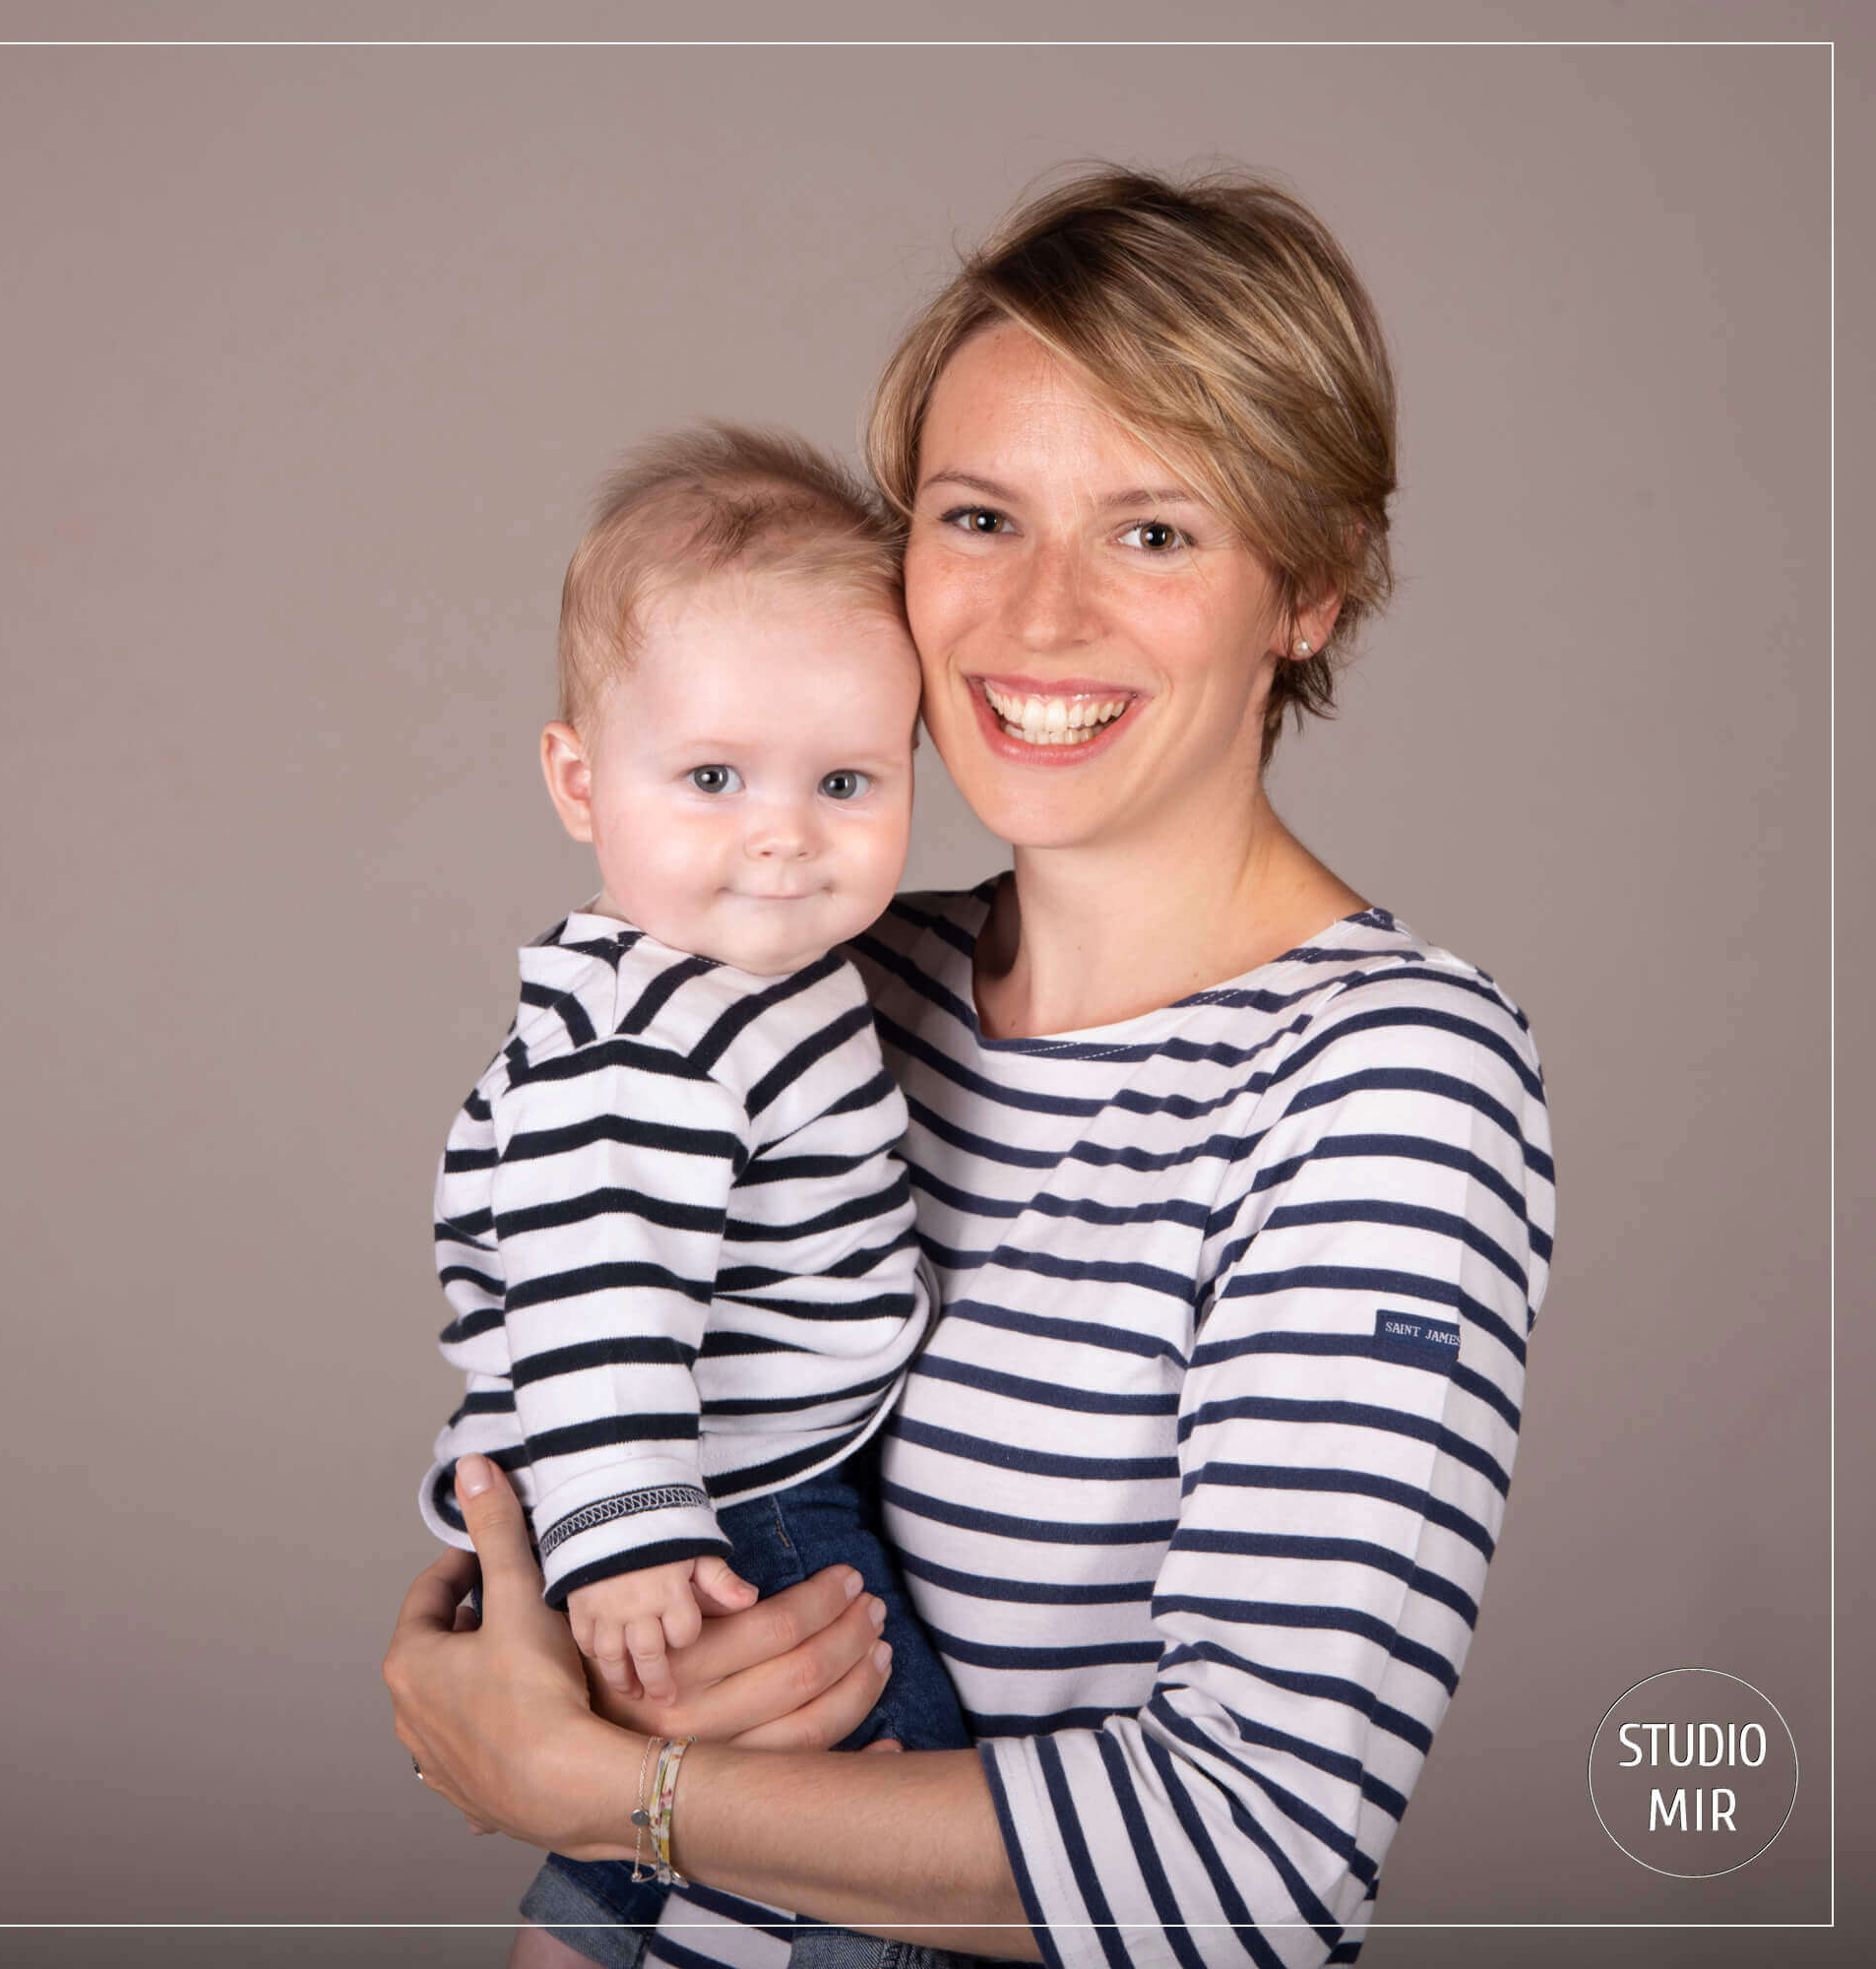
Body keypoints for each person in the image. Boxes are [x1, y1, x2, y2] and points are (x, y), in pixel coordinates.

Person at [385, 165, 1557, 1969]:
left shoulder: (1384, 1087)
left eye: (1154, 532)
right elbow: (576, 1341)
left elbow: (1252, 1866)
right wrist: (486, 1626)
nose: (1038, 620)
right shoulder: (836, 981)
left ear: (1308, 590)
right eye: (981, 517)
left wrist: (596, 1792)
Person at [418, 424, 969, 1960]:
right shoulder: (650, 1036)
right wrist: (628, 1535)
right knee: (881, 1785)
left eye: (846, 779)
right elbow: (595, 1292)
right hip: (715, 1488)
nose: (784, 833)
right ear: (581, 782)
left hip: (726, 1459)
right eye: (714, 776)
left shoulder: (755, 972)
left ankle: (582, 1933)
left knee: (682, 1802)